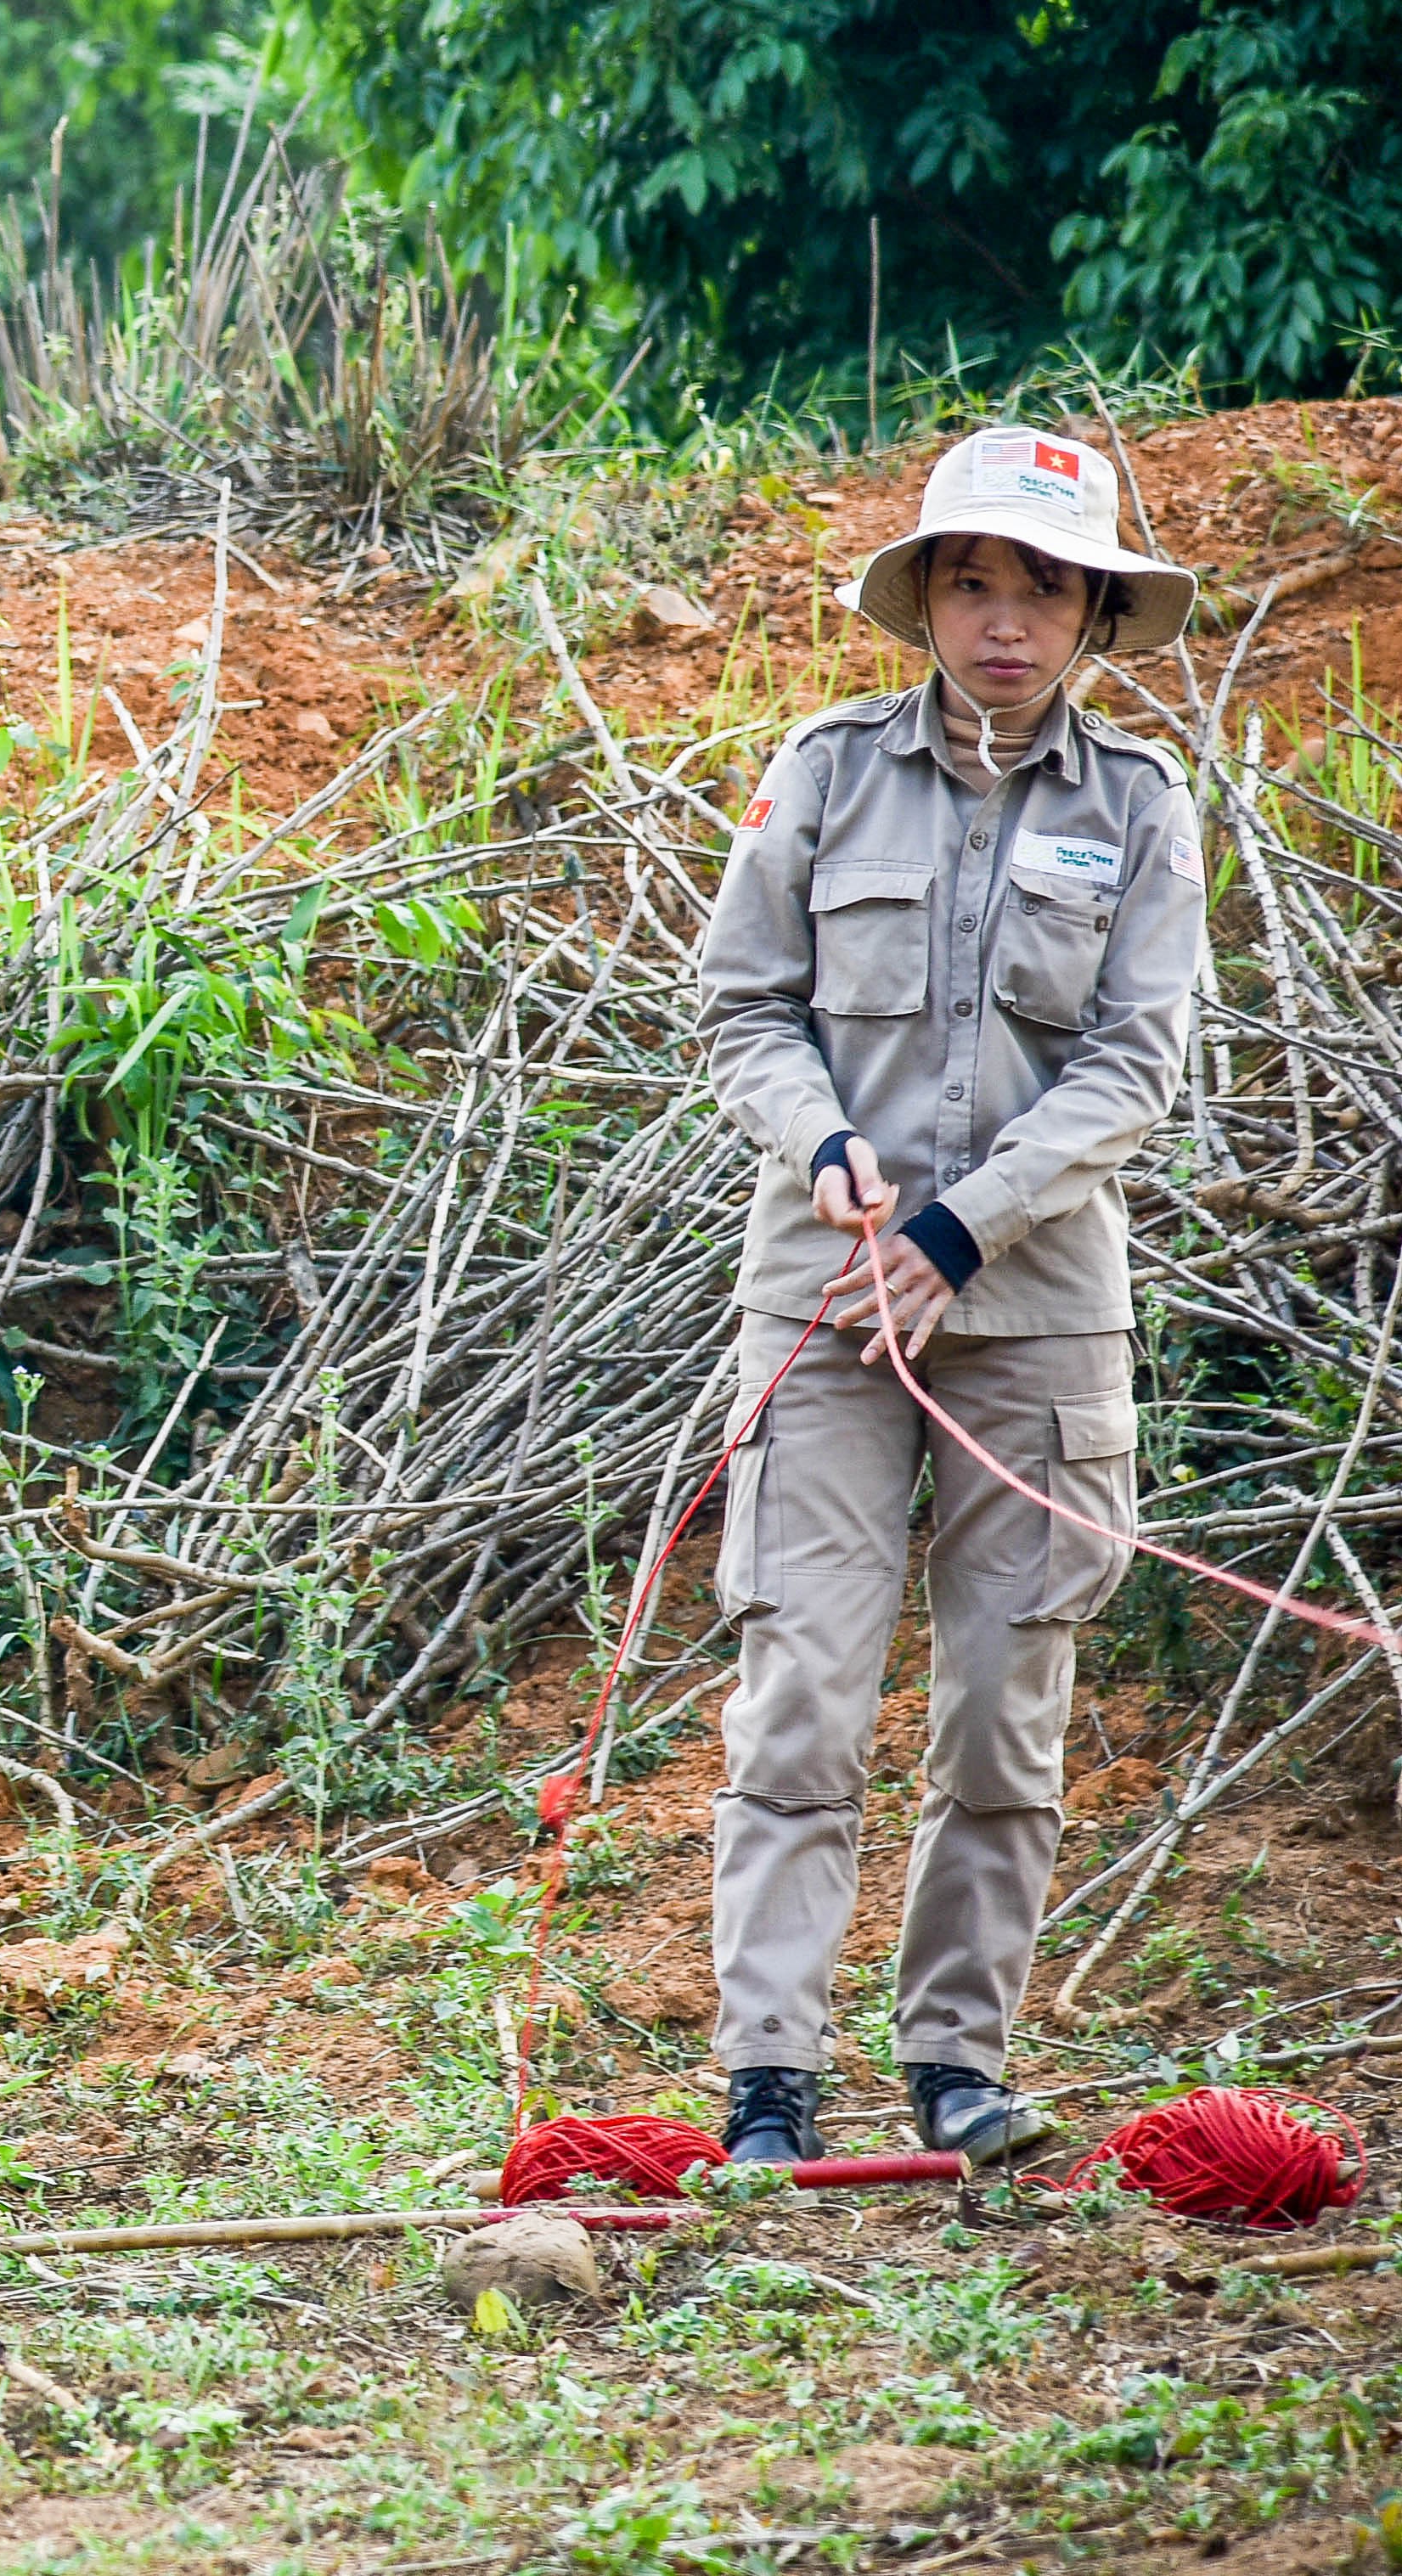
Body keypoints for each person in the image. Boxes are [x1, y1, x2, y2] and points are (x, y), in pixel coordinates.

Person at [694, 425, 1202, 2165]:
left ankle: (952, 2061)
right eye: (967, 580)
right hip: (824, 1306)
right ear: (920, 599)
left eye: (1039, 584)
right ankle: (766, 2076)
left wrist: (959, 1230)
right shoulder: (822, 771)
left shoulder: (1134, 807)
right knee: (802, 1684)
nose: (1000, 617)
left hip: (1037, 1311)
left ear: (1090, 616)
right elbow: (740, 1006)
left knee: (1004, 1694)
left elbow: (1132, 1066)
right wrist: (821, 1144)